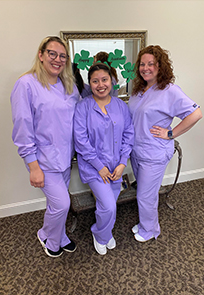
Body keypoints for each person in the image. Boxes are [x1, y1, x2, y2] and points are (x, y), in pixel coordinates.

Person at [10, 36, 81, 257]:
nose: (58, 59)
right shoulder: (26, 84)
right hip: (42, 159)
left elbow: (81, 109)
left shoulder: (67, 84)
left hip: (64, 157)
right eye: (52, 54)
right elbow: (22, 127)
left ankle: (60, 236)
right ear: (41, 55)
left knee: (57, 203)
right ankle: (46, 236)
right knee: (61, 204)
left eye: (63, 56)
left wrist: (108, 85)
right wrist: (33, 166)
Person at [128, 45, 203, 243]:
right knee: (144, 193)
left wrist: (171, 133)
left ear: (160, 66)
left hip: (154, 153)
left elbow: (196, 114)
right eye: (142, 64)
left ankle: (150, 230)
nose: (145, 68)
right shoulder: (139, 89)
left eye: (151, 64)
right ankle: (147, 223)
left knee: (145, 196)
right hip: (136, 151)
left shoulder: (169, 90)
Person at [74, 63, 134, 255]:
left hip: (116, 166)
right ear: (89, 84)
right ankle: (100, 234)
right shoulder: (82, 107)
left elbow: (129, 133)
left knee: (108, 204)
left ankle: (105, 232)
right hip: (94, 168)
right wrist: (99, 167)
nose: (100, 84)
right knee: (108, 206)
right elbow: (81, 140)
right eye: (95, 81)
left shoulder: (120, 106)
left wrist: (123, 162)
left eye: (104, 80)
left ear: (112, 81)